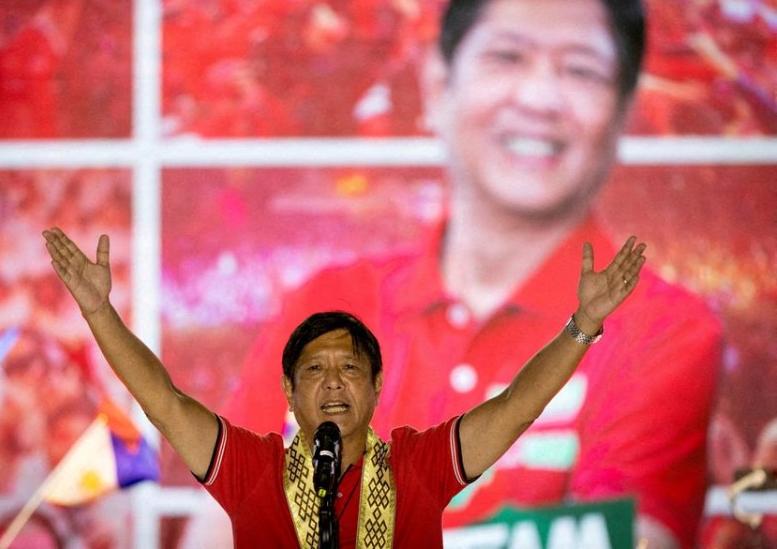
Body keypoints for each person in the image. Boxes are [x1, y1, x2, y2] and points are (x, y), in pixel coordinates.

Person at [184, 0, 723, 547]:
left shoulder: (662, 332)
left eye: (582, 71)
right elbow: (218, 533)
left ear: (623, 115)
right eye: (507, 57)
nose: (541, 97)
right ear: (437, 88)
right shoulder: (327, 305)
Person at [42, 226, 645, 547]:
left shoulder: (419, 464)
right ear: (287, 390)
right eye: (314, 370)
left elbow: (515, 408)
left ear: (377, 386)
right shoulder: (252, 471)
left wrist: (582, 325)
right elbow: (164, 400)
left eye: (350, 368)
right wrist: (100, 314)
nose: (333, 383)